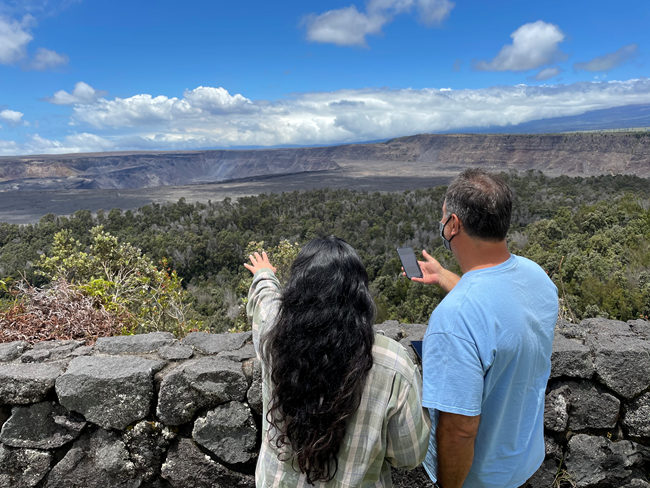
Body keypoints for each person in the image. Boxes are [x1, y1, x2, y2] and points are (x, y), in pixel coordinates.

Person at [408, 169, 558, 488]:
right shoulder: (538, 278)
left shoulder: (454, 319)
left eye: (443, 216)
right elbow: (498, 309)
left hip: (481, 478)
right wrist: (444, 276)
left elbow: (460, 430)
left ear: (453, 224)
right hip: (524, 460)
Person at [245, 236, 431, 488]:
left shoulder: (273, 335)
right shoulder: (393, 363)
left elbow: (264, 301)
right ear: (361, 296)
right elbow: (408, 455)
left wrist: (264, 273)